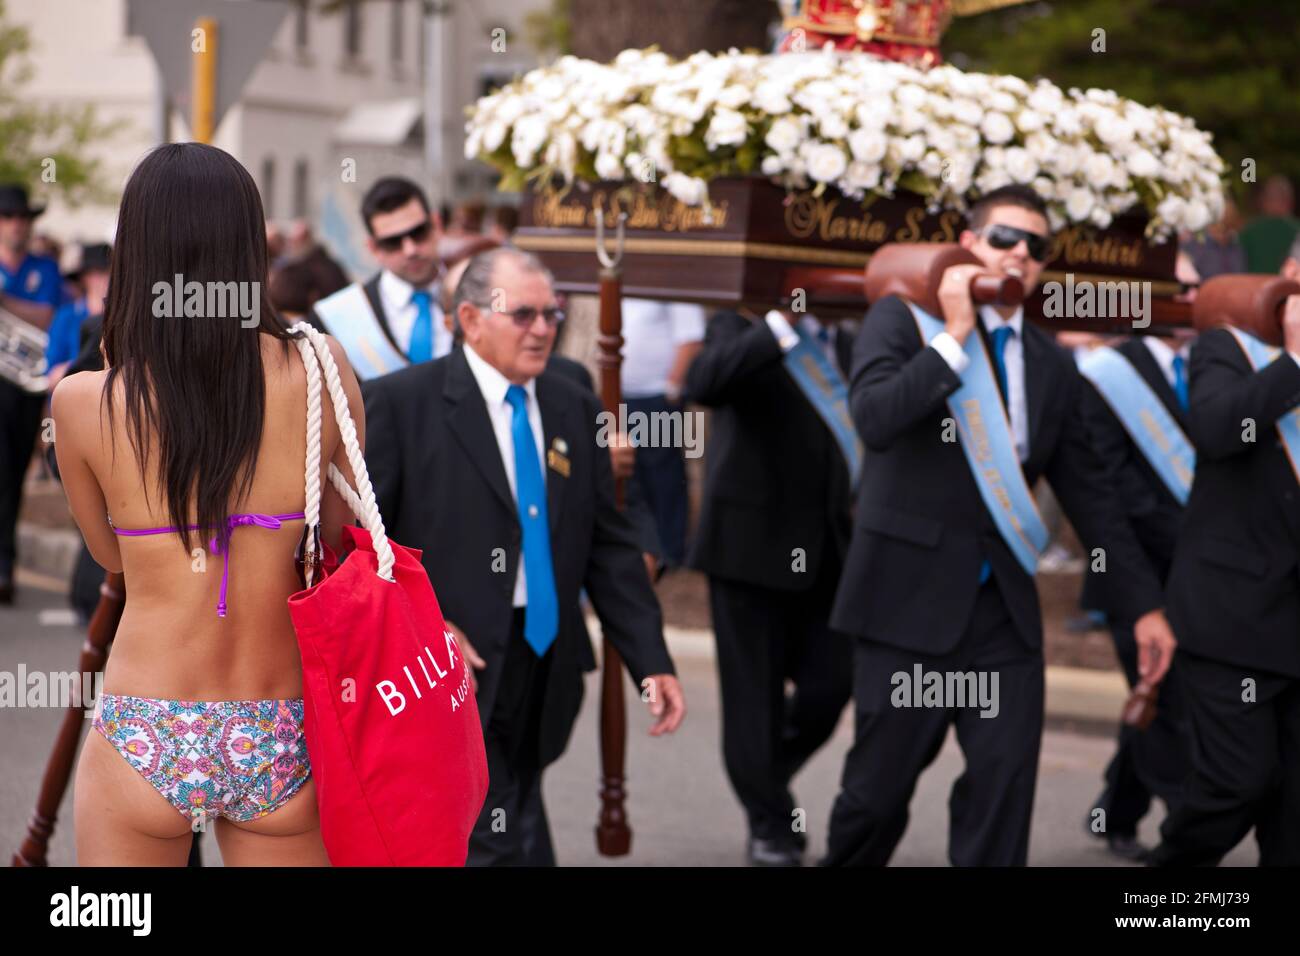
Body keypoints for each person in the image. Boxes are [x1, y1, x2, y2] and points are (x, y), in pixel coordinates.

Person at [822, 184, 1177, 866]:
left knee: (1002, 789)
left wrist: (1145, 607)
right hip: (905, 608)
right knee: (875, 796)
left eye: (1036, 248)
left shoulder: (1051, 363)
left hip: (1002, 620)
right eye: (1005, 239)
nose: (1020, 256)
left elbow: (1094, 499)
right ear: (969, 242)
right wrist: (954, 339)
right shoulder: (902, 322)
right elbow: (876, 420)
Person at [51, 142, 366, 866]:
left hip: (145, 722)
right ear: (248, 245)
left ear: (136, 251)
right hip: (281, 724)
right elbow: (336, 530)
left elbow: (109, 555)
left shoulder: (83, 401)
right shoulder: (321, 365)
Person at [362, 247, 686, 865]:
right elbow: (364, 546)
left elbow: (607, 545)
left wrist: (651, 660)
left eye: (551, 315)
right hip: (450, 665)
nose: (542, 329)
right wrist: (423, 627)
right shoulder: (404, 405)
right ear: (470, 318)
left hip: (546, 660)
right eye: (524, 315)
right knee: (489, 836)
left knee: (518, 814)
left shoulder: (572, 405)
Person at [685, 305, 856, 865]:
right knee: (752, 699)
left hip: (831, 551)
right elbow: (704, 383)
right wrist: (783, 323)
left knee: (829, 690)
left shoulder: (859, 336)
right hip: (749, 547)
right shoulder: (741, 324)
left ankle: (760, 776)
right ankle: (770, 823)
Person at [1147, 264, 1300, 866]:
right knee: (1236, 784)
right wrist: (1294, 360)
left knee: (1294, 814)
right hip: (1233, 619)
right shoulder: (1228, 347)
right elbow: (1217, 430)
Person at [1076, 289, 1198, 860]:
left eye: (1197, 285)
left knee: (1152, 699)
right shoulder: (1109, 372)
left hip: (1198, 576)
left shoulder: (1210, 365)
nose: (1190, 296)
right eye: (1178, 285)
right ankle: (1188, 839)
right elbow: (1109, 485)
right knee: (1170, 700)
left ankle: (1115, 808)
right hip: (1133, 573)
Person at [310, 176, 450, 379]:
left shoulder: (474, 294)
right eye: (393, 242)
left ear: (436, 224)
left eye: (418, 232)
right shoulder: (335, 317)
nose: (410, 250)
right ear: (373, 248)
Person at [0, 183, 62, 605]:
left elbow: (50, 317)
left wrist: (5, 302)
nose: (17, 225)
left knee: (13, 477)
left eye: (22, 217)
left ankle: (5, 564)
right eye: (8, 217)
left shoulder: (45, 269)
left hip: (23, 388)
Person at [620, 297, 705, 570]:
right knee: (633, 474)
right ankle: (645, 547)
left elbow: (691, 339)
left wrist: (672, 386)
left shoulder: (674, 287)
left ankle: (670, 549)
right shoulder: (627, 286)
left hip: (656, 396)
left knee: (662, 474)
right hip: (625, 396)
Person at [45, 243, 111, 388]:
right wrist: (86, 365)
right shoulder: (66, 316)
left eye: (110, 271)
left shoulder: (119, 318)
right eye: (99, 272)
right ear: (85, 277)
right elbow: (51, 377)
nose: (106, 278)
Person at [1239, 175, 1299, 274]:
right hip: (1290, 288)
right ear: (1289, 201)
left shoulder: (1248, 230)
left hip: (1254, 287)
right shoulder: (1297, 229)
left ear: (1263, 201)